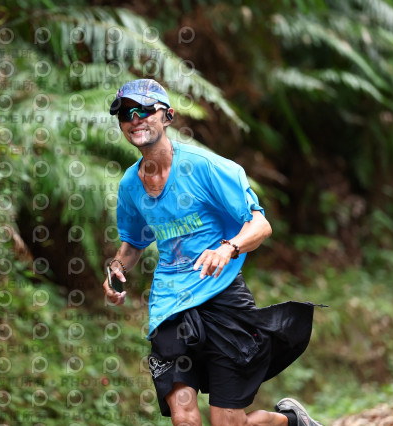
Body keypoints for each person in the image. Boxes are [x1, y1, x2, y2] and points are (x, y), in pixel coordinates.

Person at [102, 79, 323, 426]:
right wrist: (117, 267)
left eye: (143, 110)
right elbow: (134, 241)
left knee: (228, 422)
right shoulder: (131, 185)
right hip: (170, 306)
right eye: (125, 114)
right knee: (184, 419)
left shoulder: (206, 167)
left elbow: (260, 225)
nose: (135, 120)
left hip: (222, 298)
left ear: (167, 116)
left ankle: (291, 421)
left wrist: (228, 247)